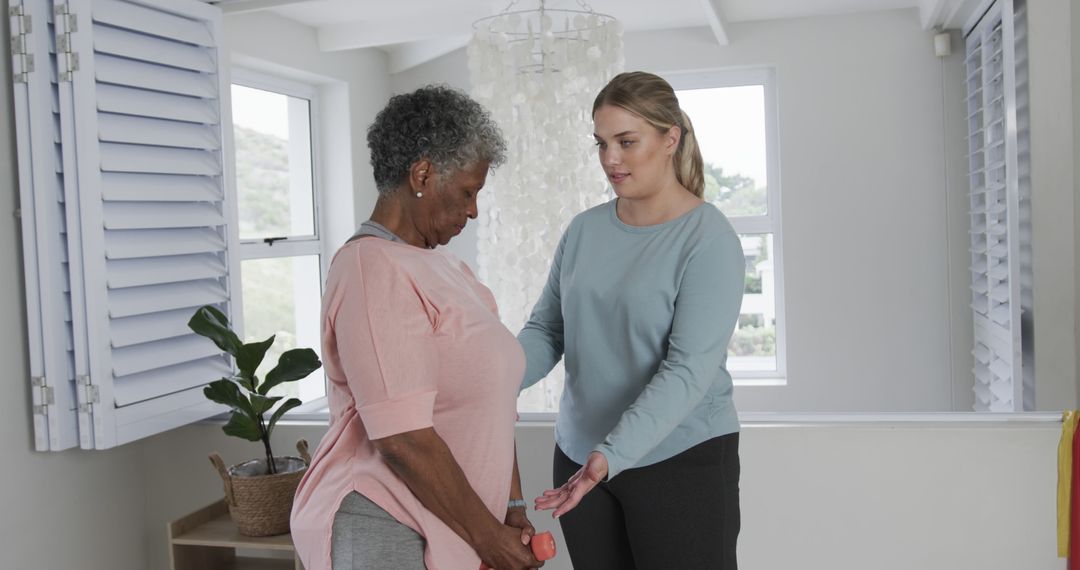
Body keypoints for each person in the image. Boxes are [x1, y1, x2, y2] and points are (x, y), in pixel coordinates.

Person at [291, 85, 543, 570]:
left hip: (462, 526)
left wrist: (510, 506)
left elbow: (495, 403)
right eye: (468, 192)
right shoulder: (370, 268)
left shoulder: (450, 271)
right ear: (422, 174)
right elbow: (401, 437)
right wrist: (487, 535)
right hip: (386, 526)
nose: (472, 210)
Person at [519, 71, 746, 569]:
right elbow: (547, 330)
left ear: (670, 138)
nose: (610, 160)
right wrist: (488, 379)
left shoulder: (708, 240)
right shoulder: (584, 231)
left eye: (626, 142)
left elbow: (687, 371)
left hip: (680, 460)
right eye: (601, 144)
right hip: (580, 459)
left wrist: (610, 456)